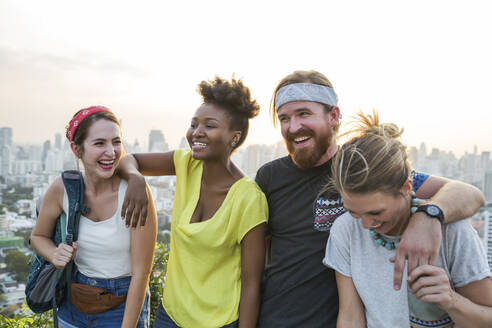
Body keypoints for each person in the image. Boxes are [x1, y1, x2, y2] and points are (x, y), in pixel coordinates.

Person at [253, 70, 485, 327]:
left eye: (304, 114)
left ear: (334, 116)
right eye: (284, 118)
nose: (293, 126)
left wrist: (428, 216)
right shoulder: (270, 177)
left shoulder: (364, 170)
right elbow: (253, 256)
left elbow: (470, 194)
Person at [118, 77, 268, 328]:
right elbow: (128, 160)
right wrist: (135, 179)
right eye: (193, 124)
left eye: (209, 126)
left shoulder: (249, 199)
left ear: (234, 137)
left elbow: (252, 284)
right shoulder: (186, 163)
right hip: (170, 315)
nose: (197, 132)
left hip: (220, 322)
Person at [323, 111, 492, 327]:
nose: (365, 224)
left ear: (406, 187)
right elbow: (350, 317)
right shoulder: (345, 229)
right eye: (354, 211)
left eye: (376, 213)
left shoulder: (452, 230)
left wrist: (451, 300)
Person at [30, 106, 157, 328]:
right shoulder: (63, 188)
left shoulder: (134, 193)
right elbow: (38, 236)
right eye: (100, 143)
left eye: (116, 142)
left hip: (123, 304)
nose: (111, 152)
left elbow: (141, 274)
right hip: (73, 299)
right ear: (77, 149)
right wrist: (54, 253)